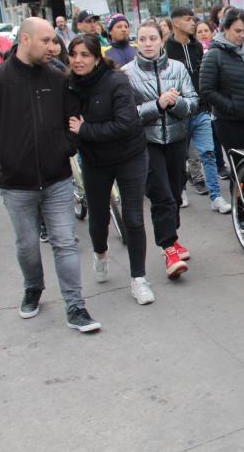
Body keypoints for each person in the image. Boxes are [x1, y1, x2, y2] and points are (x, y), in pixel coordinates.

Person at [0, 17, 100, 333]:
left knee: (65, 242)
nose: (53, 47)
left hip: (57, 179)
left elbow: (75, 119)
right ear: (25, 39)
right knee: (27, 245)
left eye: (54, 41)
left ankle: (75, 307)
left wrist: (65, 147)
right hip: (17, 184)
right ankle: (33, 287)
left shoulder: (58, 79)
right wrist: (4, 153)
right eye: (46, 41)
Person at [65, 35, 151, 304]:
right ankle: (100, 253)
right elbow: (65, 124)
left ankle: (139, 279)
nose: (78, 60)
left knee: (134, 218)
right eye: (74, 54)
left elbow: (126, 123)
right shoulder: (68, 86)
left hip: (130, 155)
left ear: (97, 58)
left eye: (85, 55)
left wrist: (86, 130)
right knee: (98, 218)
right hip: (95, 161)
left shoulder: (116, 81)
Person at [123, 21, 198, 277]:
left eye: (152, 38)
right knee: (161, 196)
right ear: (136, 42)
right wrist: (157, 104)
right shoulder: (127, 74)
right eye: (142, 39)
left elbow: (193, 102)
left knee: (175, 193)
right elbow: (126, 115)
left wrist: (173, 103)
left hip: (177, 139)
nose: (148, 44)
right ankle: (168, 248)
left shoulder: (177, 68)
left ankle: (172, 238)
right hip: (146, 143)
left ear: (161, 40)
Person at [199, 7, 244, 224]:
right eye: (237, 31)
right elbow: (206, 89)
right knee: (240, 168)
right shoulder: (214, 55)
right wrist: (230, 106)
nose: (242, 36)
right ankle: (242, 213)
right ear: (226, 29)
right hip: (229, 121)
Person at [165, 6, 227, 213]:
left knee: (208, 153)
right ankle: (180, 190)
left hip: (200, 110)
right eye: (187, 19)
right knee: (178, 156)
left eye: (193, 19)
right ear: (175, 22)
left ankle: (216, 196)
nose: (193, 23)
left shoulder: (197, 47)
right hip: (177, 113)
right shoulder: (166, 49)